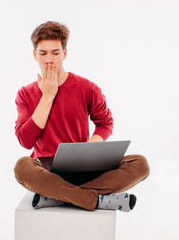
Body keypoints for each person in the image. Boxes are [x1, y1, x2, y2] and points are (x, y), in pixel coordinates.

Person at [13, 21, 150, 212]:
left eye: (55, 52)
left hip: (84, 167)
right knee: (22, 167)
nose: (49, 59)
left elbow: (105, 122)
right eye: (43, 53)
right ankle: (97, 200)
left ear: (64, 54)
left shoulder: (86, 88)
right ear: (35, 55)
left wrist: (94, 142)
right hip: (47, 171)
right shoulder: (25, 94)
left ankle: (57, 197)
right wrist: (48, 95)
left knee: (140, 164)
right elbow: (25, 140)